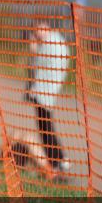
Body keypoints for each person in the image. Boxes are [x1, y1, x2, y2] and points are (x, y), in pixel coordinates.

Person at [14, 22, 72, 180]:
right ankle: (58, 160)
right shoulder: (59, 42)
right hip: (49, 90)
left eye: (38, 30)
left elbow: (34, 67)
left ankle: (58, 160)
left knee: (45, 127)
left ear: (45, 27)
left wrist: (33, 49)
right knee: (46, 126)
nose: (37, 34)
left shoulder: (49, 43)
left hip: (43, 91)